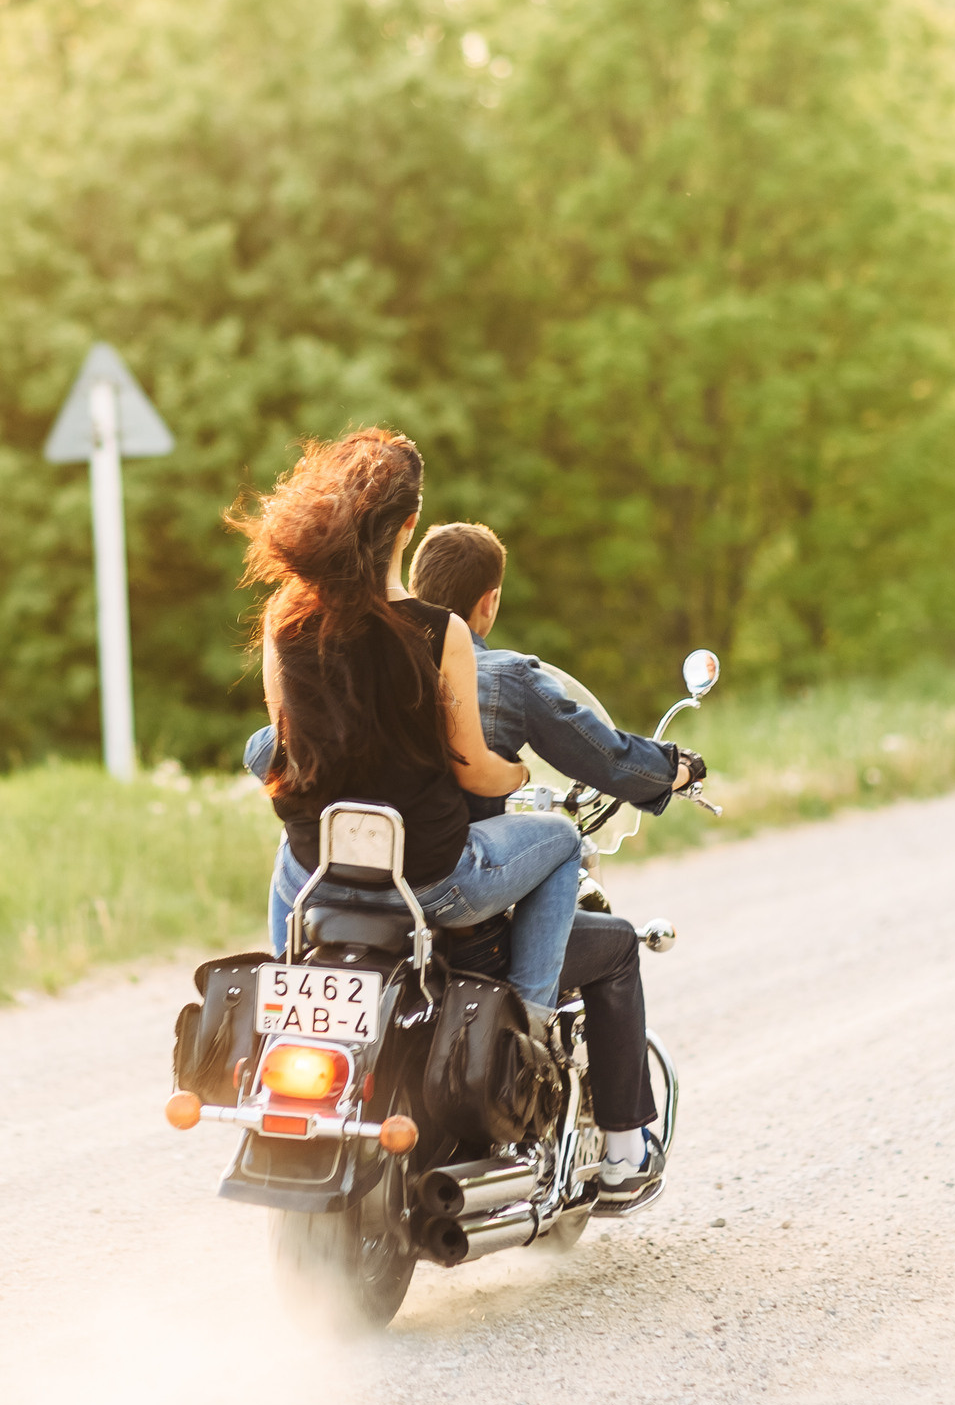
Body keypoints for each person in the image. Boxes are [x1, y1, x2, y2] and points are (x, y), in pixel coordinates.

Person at [244, 519, 692, 1197]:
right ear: (487, 603)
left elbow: (261, 748)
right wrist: (672, 771)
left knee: (291, 848)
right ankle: (537, 1047)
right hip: (452, 896)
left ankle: (290, 975)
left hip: (346, 893)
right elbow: (601, 755)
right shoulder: (503, 677)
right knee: (609, 927)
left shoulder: (355, 661)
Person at [233, 429, 580, 1010]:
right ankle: (533, 1019)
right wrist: (520, 776)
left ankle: (286, 992)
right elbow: (473, 773)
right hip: (427, 885)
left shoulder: (283, 619)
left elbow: (290, 744)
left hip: (315, 878)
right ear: (409, 523)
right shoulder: (442, 631)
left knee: (293, 843)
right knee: (563, 842)